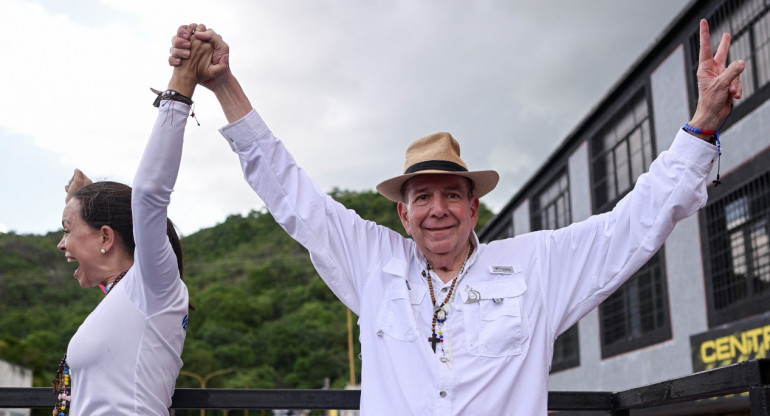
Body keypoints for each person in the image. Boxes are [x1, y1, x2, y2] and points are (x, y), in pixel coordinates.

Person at [169, 19, 744, 415]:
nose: (437, 209)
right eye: (422, 197)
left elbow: (632, 226)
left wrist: (701, 125)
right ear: (403, 213)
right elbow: (290, 193)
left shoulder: (535, 265)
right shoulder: (372, 264)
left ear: (474, 207)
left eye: (451, 195)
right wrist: (223, 84)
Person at [51, 28, 215, 416]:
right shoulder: (131, 295)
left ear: (106, 236)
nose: (60, 244)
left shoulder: (153, 284)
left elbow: (148, 194)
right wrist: (79, 203)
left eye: (66, 231)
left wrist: (181, 83)